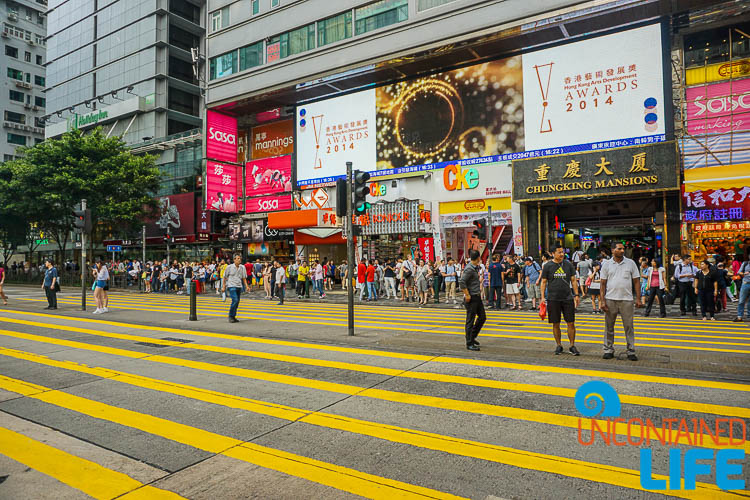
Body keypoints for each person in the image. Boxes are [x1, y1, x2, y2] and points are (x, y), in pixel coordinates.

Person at [600, 242, 642, 361]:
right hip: (610, 299)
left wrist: (638, 298)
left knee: (629, 326)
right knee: (609, 326)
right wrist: (602, 301)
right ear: (613, 250)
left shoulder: (630, 263)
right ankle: (608, 349)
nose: (622, 250)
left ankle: (631, 350)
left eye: (623, 249)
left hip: (627, 300)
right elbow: (602, 284)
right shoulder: (607, 264)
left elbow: (636, 281)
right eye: (619, 249)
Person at [540, 246, 580, 356]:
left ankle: (572, 345)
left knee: (571, 323)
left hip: (567, 298)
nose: (562, 254)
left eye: (563, 252)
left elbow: (573, 280)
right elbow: (543, 282)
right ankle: (559, 345)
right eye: (559, 252)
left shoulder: (568, 264)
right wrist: (543, 297)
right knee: (555, 323)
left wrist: (576, 295)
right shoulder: (547, 266)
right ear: (553, 253)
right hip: (553, 298)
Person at [459, 249, 485, 351]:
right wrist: (467, 294)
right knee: (470, 320)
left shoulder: (474, 267)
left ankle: (472, 336)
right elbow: (462, 282)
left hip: (477, 296)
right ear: (478, 258)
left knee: (482, 317)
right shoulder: (469, 268)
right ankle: (469, 342)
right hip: (472, 297)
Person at [222, 254, 250, 323]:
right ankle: (231, 316)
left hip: (239, 286)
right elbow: (224, 277)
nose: (239, 260)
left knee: (237, 302)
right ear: (234, 259)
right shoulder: (229, 267)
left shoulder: (242, 267)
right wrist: (223, 286)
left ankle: (233, 316)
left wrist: (246, 286)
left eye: (240, 259)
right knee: (235, 300)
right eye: (237, 258)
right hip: (231, 286)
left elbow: (244, 278)